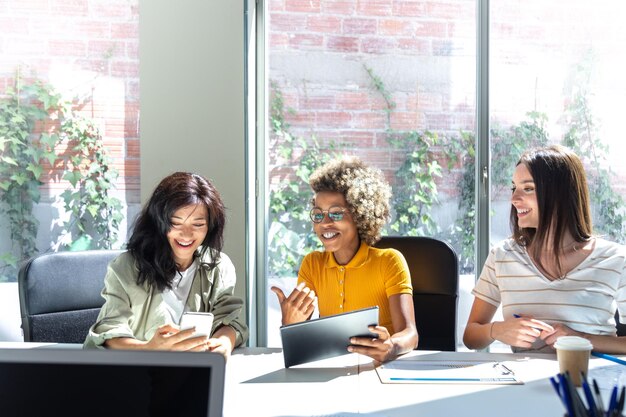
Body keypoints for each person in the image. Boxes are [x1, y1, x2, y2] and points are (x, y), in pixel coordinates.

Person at [463, 145, 626, 354]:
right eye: (514, 188)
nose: (514, 199)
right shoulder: (502, 256)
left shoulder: (616, 259)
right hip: (523, 383)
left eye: (528, 188)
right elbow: (470, 337)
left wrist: (581, 339)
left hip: (590, 382)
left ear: (561, 194)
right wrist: (497, 330)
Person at [271, 156, 418, 363]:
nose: (325, 223)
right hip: (332, 370)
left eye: (336, 214)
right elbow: (302, 343)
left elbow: (410, 334)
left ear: (360, 215)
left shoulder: (390, 261)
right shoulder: (312, 264)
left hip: (378, 369)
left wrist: (391, 347)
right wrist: (289, 323)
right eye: (318, 214)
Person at [84, 172, 248, 358]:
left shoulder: (218, 265)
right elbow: (109, 331)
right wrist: (149, 349)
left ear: (210, 227)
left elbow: (229, 322)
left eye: (198, 224)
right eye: (175, 223)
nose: (186, 235)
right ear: (158, 223)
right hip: (140, 375)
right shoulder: (126, 266)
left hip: (194, 374)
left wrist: (223, 343)